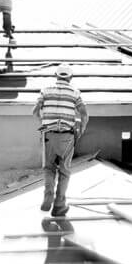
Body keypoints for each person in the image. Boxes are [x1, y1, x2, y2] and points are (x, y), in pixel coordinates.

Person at [33, 64, 89, 217]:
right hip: (67, 136)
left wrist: (44, 123)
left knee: (48, 168)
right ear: (70, 77)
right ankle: (59, 205)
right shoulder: (74, 92)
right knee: (64, 171)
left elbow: (35, 111)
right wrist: (81, 129)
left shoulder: (45, 90)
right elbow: (84, 114)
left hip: (48, 135)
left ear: (56, 75)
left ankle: (48, 195)